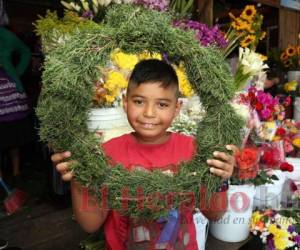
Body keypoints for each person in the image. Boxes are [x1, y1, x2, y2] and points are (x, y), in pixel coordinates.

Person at [52, 59, 237, 249]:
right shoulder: (106, 153)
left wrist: (219, 178)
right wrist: (79, 177)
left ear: (177, 109)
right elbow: (90, 224)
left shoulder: (194, 150)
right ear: (125, 102)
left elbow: (215, 214)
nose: (149, 113)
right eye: (139, 101)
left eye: (162, 104)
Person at [0, 0, 32, 188]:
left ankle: (17, 173)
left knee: (13, 137)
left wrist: (16, 72)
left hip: (9, 91)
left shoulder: (5, 35)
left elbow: (26, 52)